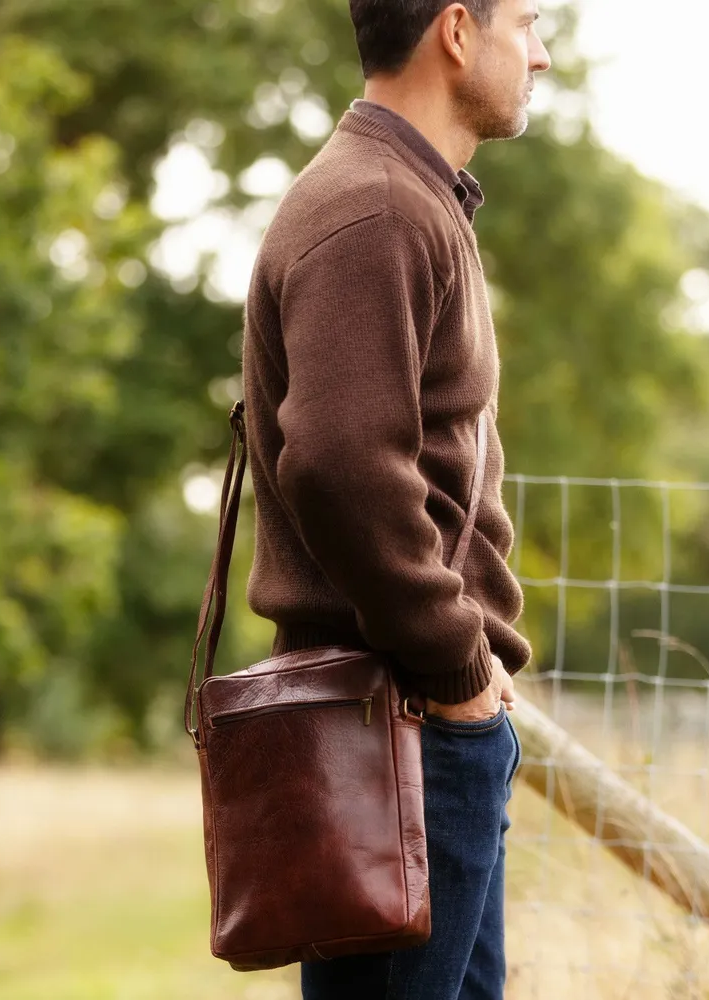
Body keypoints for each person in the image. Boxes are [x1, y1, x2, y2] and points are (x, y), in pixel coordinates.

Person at [241, 1, 551, 996]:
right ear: (457, 29)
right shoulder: (373, 207)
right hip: (397, 732)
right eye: (529, 21)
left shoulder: (401, 199)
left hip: (418, 723)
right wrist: (459, 668)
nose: (540, 53)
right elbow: (336, 460)